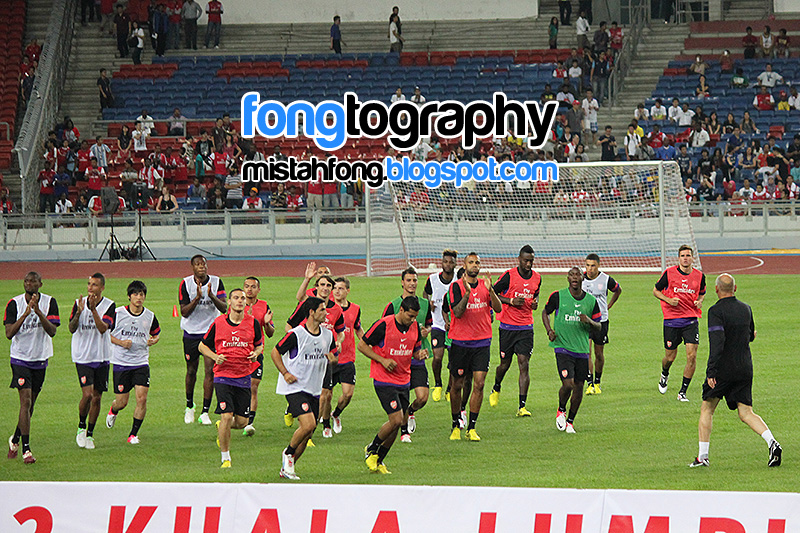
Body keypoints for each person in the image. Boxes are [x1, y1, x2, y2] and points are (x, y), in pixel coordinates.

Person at [690, 274, 782, 468]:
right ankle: (772, 443)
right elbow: (750, 335)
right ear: (735, 288)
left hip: (724, 368)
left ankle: (702, 457)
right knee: (746, 412)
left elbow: (717, 342)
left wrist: (711, 371)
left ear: (716, 289)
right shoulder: (746, 309)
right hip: (744, 366)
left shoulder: (715, 311)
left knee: (707, 408)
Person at [272, 297, 337, 480]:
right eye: (322, 310)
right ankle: (288, 453)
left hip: (314, 389)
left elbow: (332, 355)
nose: (326, 313)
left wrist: (333, 360)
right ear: (311, 312)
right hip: (294, 387)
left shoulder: (328, 335)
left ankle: (288, 468)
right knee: (308, 424)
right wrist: (285, 373)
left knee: (308, 431)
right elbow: (275, 352)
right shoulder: (296, 334)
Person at [361, 297, 426, 474]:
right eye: (410, 316)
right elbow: (362, 345)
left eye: (415, 317)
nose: (412, 320)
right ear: (401, 310)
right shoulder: (384, 324)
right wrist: (382, 360)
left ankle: (379, 459)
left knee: (397, 424)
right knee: (396, 420)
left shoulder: (415, 327)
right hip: (383, 380)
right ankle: (372, 448)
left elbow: (414, 351)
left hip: (404, 380)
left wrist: (419, 355)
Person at [199, 288, 262, 468]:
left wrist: (256, 353)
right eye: (236, 298)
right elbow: (202, 346)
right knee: (227, 415)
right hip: (223, 376)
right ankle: (225, 458)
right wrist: (215, 356)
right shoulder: (219, 323)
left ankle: (222, 426)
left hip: (243, 376)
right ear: (230, 302)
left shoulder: (253, 323)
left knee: (242, 422)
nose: (240, 301)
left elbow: (259, 345)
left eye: (242, 298)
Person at [5, 272, 60, 464]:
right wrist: (26, 314)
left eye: (33, 281)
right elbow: (9, 333)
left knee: (31, 405)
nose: (29, 284)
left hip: (40, 359)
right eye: (27, 281)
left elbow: (52, 331)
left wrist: (38, 312)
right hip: (20, 359)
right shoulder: (14, 304)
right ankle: (26, 449)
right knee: (25, 402)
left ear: (40, 284)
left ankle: (15, 438)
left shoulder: (50, 302)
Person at [447, 253, 502, 441]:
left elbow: (498, 309)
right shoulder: (456, 287)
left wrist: (491, 291)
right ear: (464, 266)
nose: (474, 265)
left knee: (479, 384)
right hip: (460, 342)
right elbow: (457, 313)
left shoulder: (486, 286)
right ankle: (456, 424)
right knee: (457, 385)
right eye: (471, 262)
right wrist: (467, 294)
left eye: (477, 262)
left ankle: (471, 427)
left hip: (482, 342)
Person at [542, 267, 601, 433]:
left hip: (582, 350)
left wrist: (589, 321)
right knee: (568, 384)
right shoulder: (558, 296)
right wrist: (549, 330)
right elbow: (545, 312)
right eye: (571, 275)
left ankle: (570, 422)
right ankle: (561, 409)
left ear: (583, 278)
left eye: (578, 275)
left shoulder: (591, 301)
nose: (574, 277)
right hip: (562, 348)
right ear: (567, 278)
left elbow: (599, 326)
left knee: (579, 386)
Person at [285, 273, 345, 432]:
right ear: (316, 287)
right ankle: (294, 412)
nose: (325, 288)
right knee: (304, 391)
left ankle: (310, 430)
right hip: (306, 357)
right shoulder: (307, 305)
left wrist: (338, 342)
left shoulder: (336, 310)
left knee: (324, 394)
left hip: (323, 357)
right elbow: (289, 326)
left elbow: (340, 331)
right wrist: (297, 344)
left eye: (328, 285)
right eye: (322, 284)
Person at [487, 245, 541, 417]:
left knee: (524, 363)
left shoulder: (537, 277)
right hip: (507, 327)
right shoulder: (509, 276)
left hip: (526, 327)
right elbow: (492, 294)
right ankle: (496, 387)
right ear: (519, 259)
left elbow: (535, 294)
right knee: (505, 364)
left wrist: (535, 303)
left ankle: (522, 406)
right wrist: (510, 301)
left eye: (531, 261)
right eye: (526, 261)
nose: (528, 264)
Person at [381, 267, 433, 442]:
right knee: (401, 397)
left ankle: (411, 411)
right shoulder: (393, 305)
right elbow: (383, 329)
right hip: (399, 359)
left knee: (422, 397)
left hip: (417, 358)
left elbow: (429, 323)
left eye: (415, 280)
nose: (412, 283)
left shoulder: (424, 304)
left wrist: (426, 331)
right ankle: (404, 432)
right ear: (402, 282)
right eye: (409, 280)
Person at [105, 281, 160, 444]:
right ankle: (113, 410)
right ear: (129, 296)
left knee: (142, 399)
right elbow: (105, 333)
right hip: (121, 362)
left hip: (141, 362)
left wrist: (154, 340)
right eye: (135, 294)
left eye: (141, 294)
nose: (139, 297)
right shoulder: (117, 313)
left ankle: (133, 434)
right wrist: (121, 342)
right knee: (122, 402)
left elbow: (156, 333)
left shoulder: (150, 316)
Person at [178, 255, 227, 424]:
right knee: (191, 371)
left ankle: (205, 412)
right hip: (191, 333)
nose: (202, 267)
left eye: (204, 264)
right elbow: (184, 312)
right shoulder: (185, 284)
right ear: (192, 267)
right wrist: (197, 298)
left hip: (210, 333)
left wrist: (211, 295)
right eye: (198, 264)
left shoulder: (216, 281)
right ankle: (189, 406)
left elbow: (224, 307)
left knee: (210, 371)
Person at [69, 273, 115, 450]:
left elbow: (103, 329)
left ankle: (90, 434)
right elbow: (71, 328)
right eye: (89, 284)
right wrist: (79, 313)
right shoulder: (78, 303)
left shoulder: (109, 306)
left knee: (97, 397)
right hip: (83, 357)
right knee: (87, 395)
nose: (90, 287)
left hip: (102, 356)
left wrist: (94, 310)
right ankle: (81, 427)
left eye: (94, 285)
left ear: (102, 288)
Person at [654, 245, 706, 401]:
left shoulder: (699, 276)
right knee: (670, 357)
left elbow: (702, 293)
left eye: (688, 255)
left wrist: (700, 301)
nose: (685, 258)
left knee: (692, 356)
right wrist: (668, 300)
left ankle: (682, 392)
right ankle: (664, 374)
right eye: (683, 256)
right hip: (671, 320)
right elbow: (656, 291)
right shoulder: (669, 273)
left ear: (692, 258)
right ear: (678, 258)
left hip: (691, 320)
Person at [581, 254, 622, 394]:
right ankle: (590, 384)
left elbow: (618, 290)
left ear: (598, 265)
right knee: (586, 352)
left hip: (601, 321)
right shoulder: (580, 279)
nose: (590, 269)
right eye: (587, 265)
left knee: (599, 354)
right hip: (586, 321)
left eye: (593, 266)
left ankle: (597, 382)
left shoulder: (606, 279)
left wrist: (609, 305)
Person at [241, 276, 275, 436]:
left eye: (253, 286)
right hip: (238, 352)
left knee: (253, 387)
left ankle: (249, 422)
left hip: (256, 352)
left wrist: (267, 323)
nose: (249, 289)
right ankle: (236, 415)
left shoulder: (264, 306)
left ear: (258, 290)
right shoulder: (237, 304)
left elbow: (270, 333)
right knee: (239, 387)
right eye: (247, 286)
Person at [329, 276, 363, 434]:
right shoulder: (326, 308)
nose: (337, 291)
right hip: (329, 358)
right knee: (325, 395)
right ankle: (324, 425)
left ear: (347, 291)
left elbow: (358, 328)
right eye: (335, 288)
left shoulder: (355, 309)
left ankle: (336, 414)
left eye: (340, 288)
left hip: (347, 358)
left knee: (348, 394)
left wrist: (368, 344)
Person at [423, 249, 457, 402]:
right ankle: (438, 384)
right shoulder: (432, 279)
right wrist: (428, 303)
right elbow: (425, 293)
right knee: (437, 357)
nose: (448, 264)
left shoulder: (458, 280)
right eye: (445, 261)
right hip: (437, 324)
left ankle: (450, 389)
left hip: (454, 327)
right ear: (442, 263)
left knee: (453, 361)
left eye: (451, 262)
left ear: (455, 264)